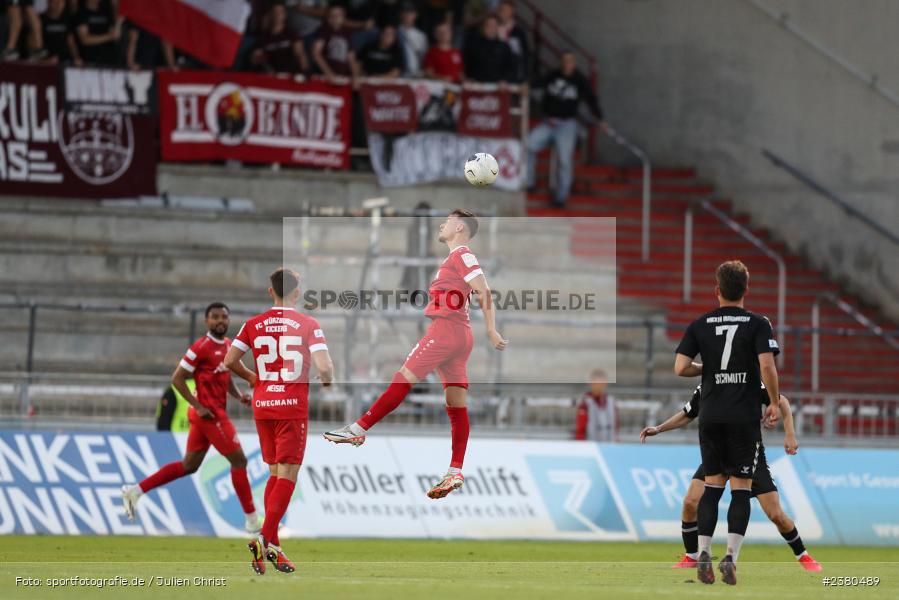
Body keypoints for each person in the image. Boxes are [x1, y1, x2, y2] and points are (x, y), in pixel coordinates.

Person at [324, 210, 508, 499]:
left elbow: (484, 291)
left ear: (460, 227)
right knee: (456, 405)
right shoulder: (454, 259)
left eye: (448, 221)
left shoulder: (462, 254)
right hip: (459, 334)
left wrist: (492, 330)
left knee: (403, 378)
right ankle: (455, 470)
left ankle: (359, 428)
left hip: (445, 331)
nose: (442, 224)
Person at [673, 260, 782, 586]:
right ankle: (730, 557)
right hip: (742, 417)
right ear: (746, 289)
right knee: (740, 492)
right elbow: (767, 367)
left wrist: (707, 369)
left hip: (710, 416)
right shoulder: (758, 323)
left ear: (716, 289)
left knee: (711, 488)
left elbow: (680, 368)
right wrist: (773, 402)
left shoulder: (700, 324)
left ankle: (703, 552)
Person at [640, 384, 823, 572]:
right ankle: (692, 556)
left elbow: (781, 401)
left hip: (748, 454)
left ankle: (803, 555)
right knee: (690, 502)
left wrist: (790, 434)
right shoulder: (707, 384)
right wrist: (659, 428)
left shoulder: (747, 379)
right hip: (719, 453)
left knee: (775, 513)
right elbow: (688, 413)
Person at [224, 268, 334, 576]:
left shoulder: (253, 324)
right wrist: (327, 380)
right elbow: (325, 367)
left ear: (270, 292)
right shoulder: (308, 324)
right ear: (297, 293)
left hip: (263, 405)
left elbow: (229, 360)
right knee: (288, 473)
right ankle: (263, 539)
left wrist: (252, 378)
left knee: (274, 472)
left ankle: (273, 545)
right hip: (291, 407)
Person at [122, 303, 260, 535]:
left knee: (189, 465)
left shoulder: (228, 345)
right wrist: (198, 405)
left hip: (207, 414)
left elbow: (225, 377)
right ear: (207, 321)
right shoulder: (200, 347)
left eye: (224, 317)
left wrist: (239, 397)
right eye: (215, 317)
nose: (220, 321)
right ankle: (252, 521)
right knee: (239, 461)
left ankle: (134, 491)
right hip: (209, 414)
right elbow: (177, 378)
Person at [527, 51, 607, 207]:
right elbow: (538, 83)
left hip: (567, 124)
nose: (567, 64)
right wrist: (526, 85)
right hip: (549, 122)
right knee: (529, 144)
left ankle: (561, 197)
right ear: (561, 62)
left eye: (570, 61)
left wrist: (600, 119)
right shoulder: (553, 75)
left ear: (574, 63)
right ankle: (529, 182)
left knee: (564, 160)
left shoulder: (579, 79)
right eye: (564, 61)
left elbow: (591, 99)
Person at [250, 1, 309, 74]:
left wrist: (305, 73)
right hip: (272, 75)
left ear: (285, 14)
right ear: (270, 14)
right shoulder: (263, 38)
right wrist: (258, 59)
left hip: (291, 75)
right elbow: (254, 60)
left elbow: (300, 55)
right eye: (275, 12)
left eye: (281, 12)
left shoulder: (291, 34)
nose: (278, 15)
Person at [462, 15, 514, 83]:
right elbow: (466, 64)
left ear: (498, 28)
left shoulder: (504, 46)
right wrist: (468, 78)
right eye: (489, 25)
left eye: (494, 26)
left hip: (497, 86)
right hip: (476, 85)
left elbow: (510, 67)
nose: (491, 28)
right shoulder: (473, 44)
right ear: (483, 27)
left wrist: (505, 80)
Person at [312, 4, 353, 81]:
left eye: (338, 15)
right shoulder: (323, 30)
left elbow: (351, 57)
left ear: (343, 17)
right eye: (332, 15)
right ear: (328, 17)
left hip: (343, 75)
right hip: (325, 75)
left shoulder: (347, 32)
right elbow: (316, 53)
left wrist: (355, 76)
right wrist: (330, 74)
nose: (335, 17)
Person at [74, 0, 120, 66]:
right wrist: (109, 36)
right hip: (89, 60)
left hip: (109, 59)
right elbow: (85, 39)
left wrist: (115, 7)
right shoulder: (81, 13)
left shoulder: (106, 11)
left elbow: (115, 35)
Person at [574, 368, 614, 441]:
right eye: (596, 383)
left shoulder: (611, 401)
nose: (599, 387)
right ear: (591, 383)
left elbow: (615, 426)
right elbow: (580, 430)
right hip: (591, 444)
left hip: (609, 444)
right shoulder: (585, 403)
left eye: (602, 384)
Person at [40, 0, 81, 65]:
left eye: (61, 2)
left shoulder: (67, 19)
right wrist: (44, 60)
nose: (58, 5)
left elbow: (71, 41)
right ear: (49, 3)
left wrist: (76, 57)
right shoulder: (40, 19)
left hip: (64, 61)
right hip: (46, 60)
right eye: (56, 2)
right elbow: (36, 45)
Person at [496, 0, 528, 82]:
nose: (503, 12)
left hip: (512, 72)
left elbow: (523, 54)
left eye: (507, 10)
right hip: (495, 70)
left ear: (513, 12)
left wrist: (523, 76)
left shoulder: (519, 32)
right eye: (502, 9)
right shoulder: (494, 28)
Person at [397, 2, 426, 76]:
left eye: (411, 13)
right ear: (401, 14)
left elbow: (423, 56)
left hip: (415, 73)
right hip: (398, 74)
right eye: (405, 12)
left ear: (416, 15)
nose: (407, 15)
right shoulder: (395, 32)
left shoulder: (420, 35)